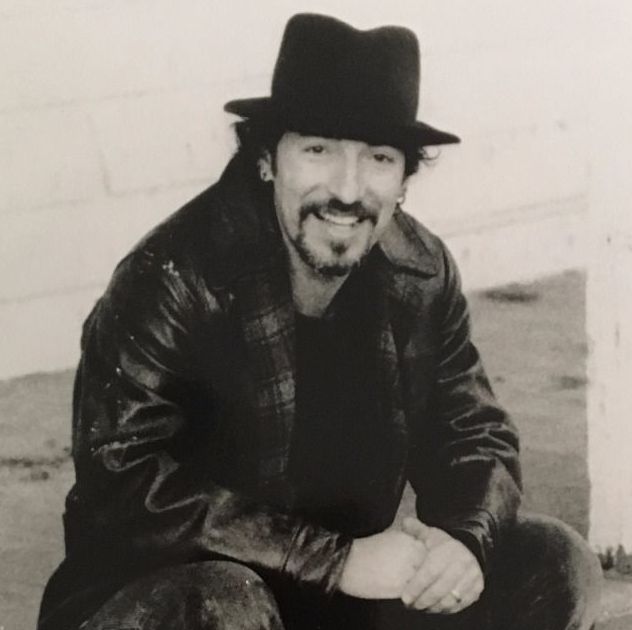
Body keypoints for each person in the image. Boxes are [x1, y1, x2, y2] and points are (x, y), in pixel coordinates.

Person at [37, 13, 601, 630]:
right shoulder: (173, 277)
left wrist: (463, 540)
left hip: (338, 602)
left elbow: (473, 433)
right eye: (318, 150)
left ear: (404, 180)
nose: (348, 190)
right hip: (165, 600)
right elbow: (122, 486)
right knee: (228, 601)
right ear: (266, 160)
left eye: (379, 158)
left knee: (555, 561)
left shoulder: (420, 273)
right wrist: (336, 560)